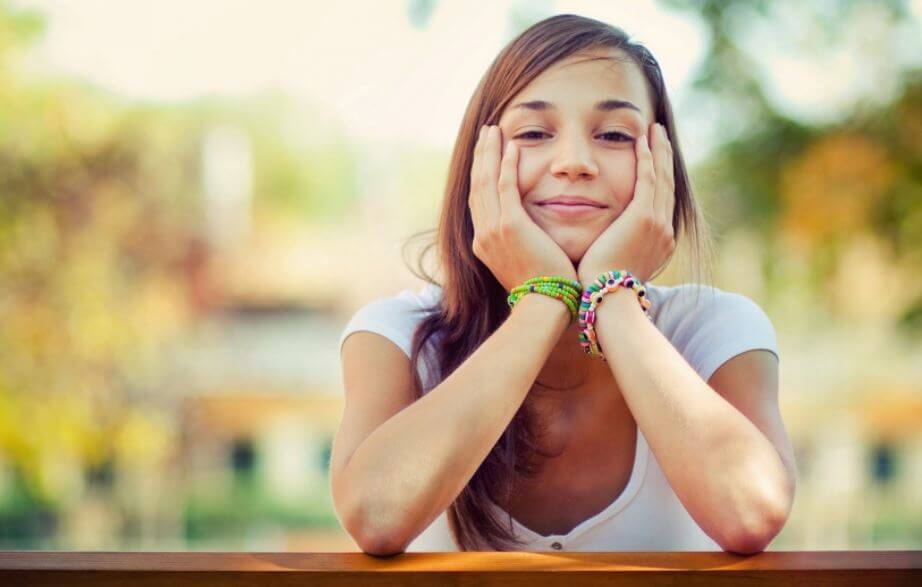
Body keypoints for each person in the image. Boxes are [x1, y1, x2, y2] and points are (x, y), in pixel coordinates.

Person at [332, 14, 797, 555]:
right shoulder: (397, 336)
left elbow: (751, 512)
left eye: (614, 135)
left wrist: (611, 296)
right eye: (533, 133)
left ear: (661, 165)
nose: (574, 162)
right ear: (478, 165)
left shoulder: (714, 331)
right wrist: (542, 299)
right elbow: (374, 516)